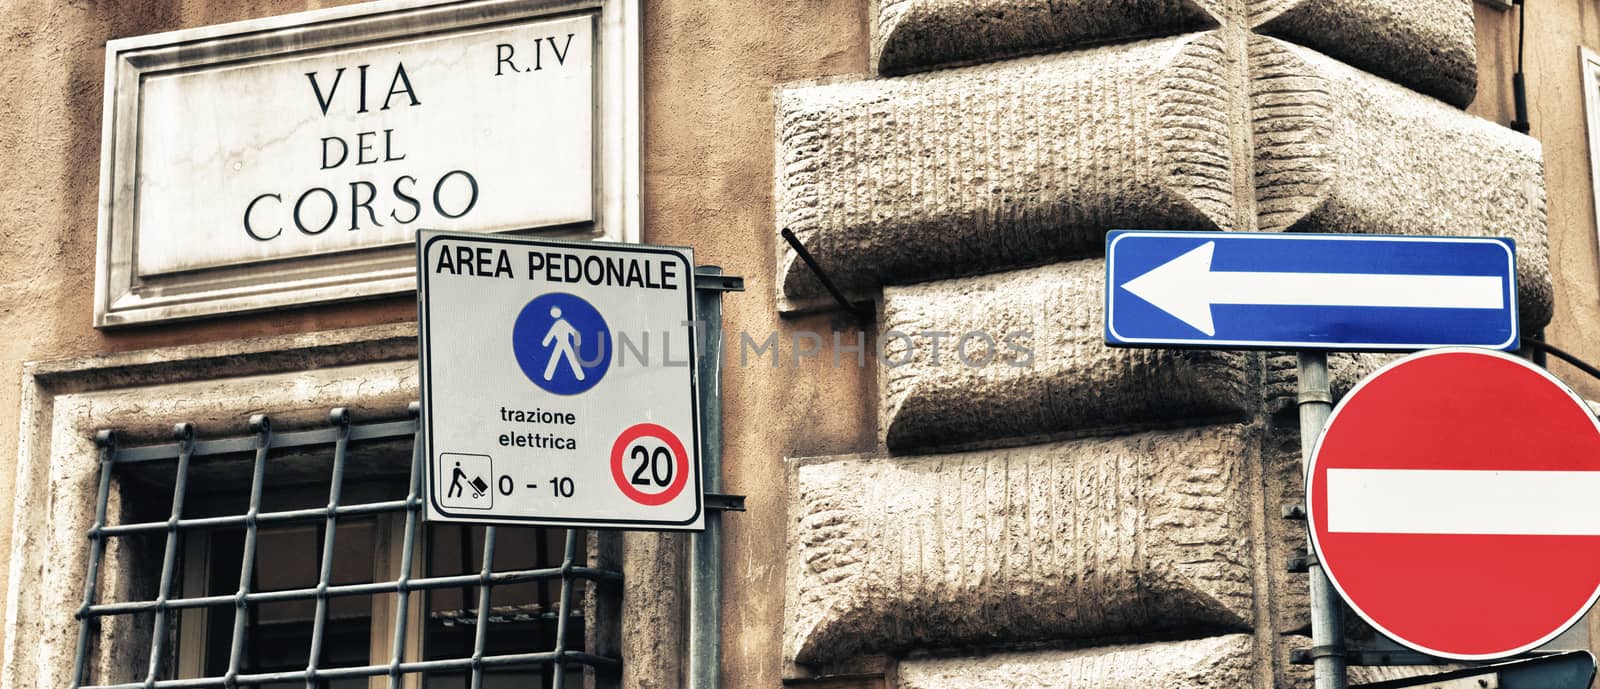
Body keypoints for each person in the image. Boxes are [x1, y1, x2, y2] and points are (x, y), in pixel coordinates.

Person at [541, 305, 586, 381]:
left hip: (565, 342)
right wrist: (546, 342)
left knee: (560, 358)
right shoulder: (558, 324)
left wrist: (546, 342)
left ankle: (580, 376)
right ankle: (548, 376)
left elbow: (574, 332)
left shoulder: (563, 323)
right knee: (558, 358)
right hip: (560, 343)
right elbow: (551, 334)